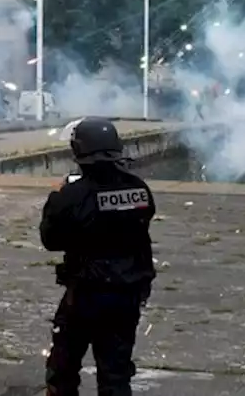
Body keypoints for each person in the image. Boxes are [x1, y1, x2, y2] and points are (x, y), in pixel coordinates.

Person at [40, 117, 156, 396]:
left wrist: (59, 198)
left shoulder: (71, 195)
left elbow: (50, 240)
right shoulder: (138, 188)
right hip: (128, 291)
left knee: (63, 368)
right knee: (115, 375)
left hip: (85, 294)